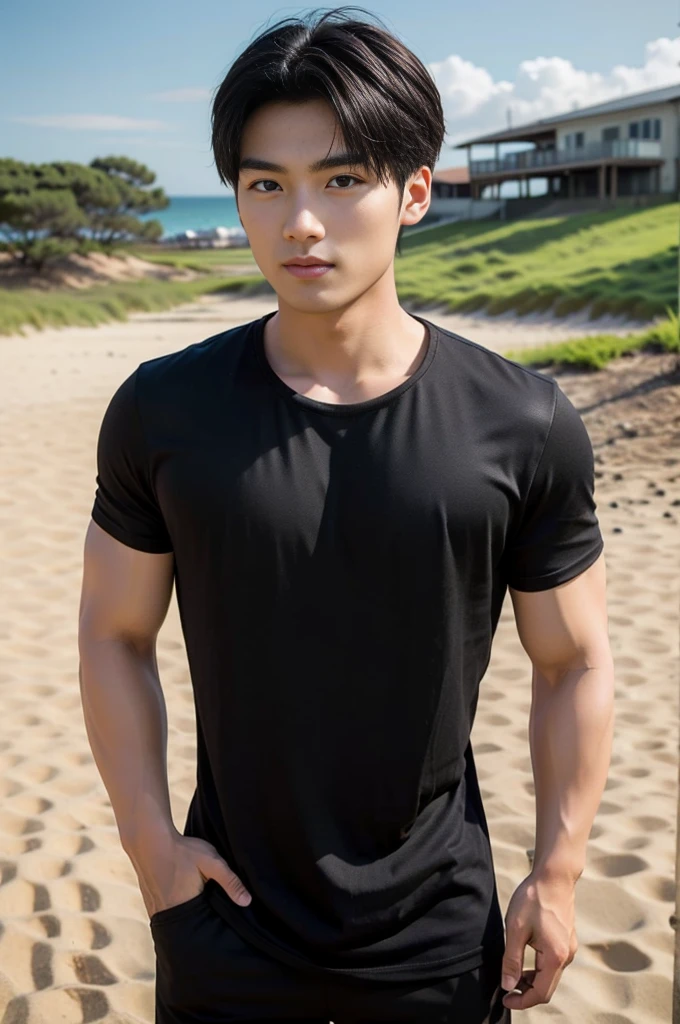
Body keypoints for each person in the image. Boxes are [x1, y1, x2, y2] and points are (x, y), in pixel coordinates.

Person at [77, 7, 615, 1023]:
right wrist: (147, 838)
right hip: (221, 920)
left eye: (340, 179)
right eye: (264, 185)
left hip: (441, 938)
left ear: (413, 191)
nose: (300, 223)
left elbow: (573, 660)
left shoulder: (520, 422)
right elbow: (113, 631)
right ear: (236, 195)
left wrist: (557, 869)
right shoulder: (164, 409)